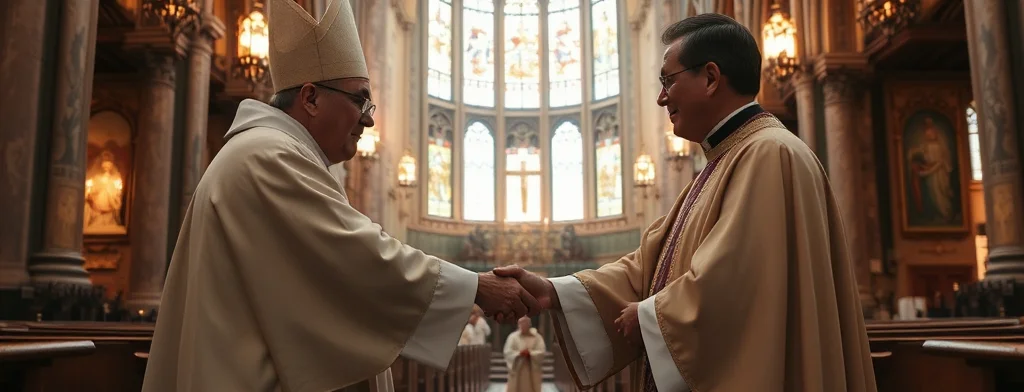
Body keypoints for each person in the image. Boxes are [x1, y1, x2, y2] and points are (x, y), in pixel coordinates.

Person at [141, 1, 539, 391]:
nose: (368, 118)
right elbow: (357, 256)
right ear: (310, 98)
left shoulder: (273, 152)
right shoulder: (268, 156)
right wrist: (475, 287)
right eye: (360, 100)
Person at [496, 13, 877, 392]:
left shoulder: (768, 153)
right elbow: (648, 267)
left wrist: (651, 316)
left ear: (710, 78)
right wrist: (551, 290)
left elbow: (737, 281)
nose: (662, 97)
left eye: (668, 81)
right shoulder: (725, 160)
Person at [502, 317, 546, 392]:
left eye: (525, 324)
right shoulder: (513, 337)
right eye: (521, 324)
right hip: (517, 368)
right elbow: (507, 351)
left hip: (531, 368)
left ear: (529, 325)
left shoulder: (537, 337)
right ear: (518, 325)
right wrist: (519, 353)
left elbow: (541, 352)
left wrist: (530, 353)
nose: (523, 325)